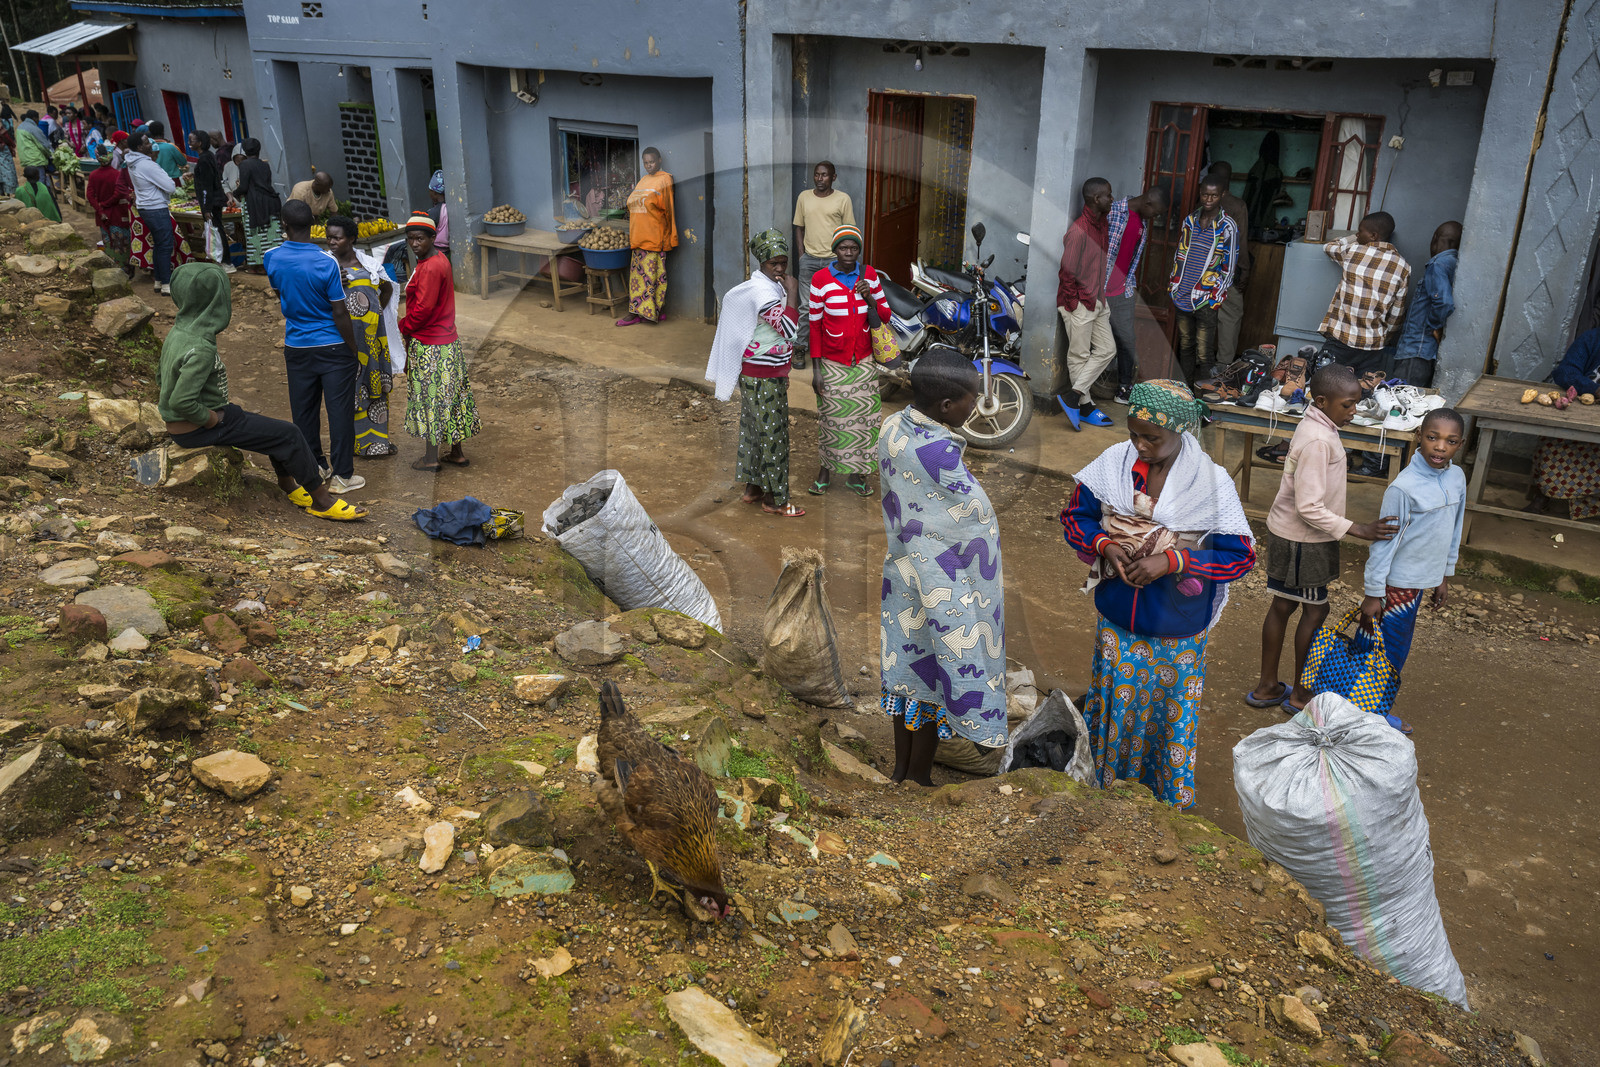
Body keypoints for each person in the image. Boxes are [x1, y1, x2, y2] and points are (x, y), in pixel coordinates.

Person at [1062, 380, 1255, 810]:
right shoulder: (1114, 464)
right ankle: (1108, 794)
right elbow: (1077, 517)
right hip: (1118, 620)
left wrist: (1172, 562)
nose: (1140, 445)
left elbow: (1239, 556)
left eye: (1152, 437)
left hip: (1176, 627)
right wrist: (1107, 546)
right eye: (1134, 434)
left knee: (1168, 719)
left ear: (1182, 432)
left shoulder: (1210, 484)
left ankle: (1163, 807)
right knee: (1116, 711)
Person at [880, 348, 1005, 786]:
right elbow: (972, 516)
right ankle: (919, 777)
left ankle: (899, 770)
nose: (977, 404)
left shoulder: (893, 427)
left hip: (902, 572)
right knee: (933, 680)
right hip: (941, 584)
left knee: (907, 674)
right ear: (947, 407)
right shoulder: (939, 456)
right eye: (973, 398)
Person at [158, 261, 365, 522]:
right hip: (199, 426)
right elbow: (181, 400)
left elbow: (161, 378)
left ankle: (288, 486)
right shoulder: (200, 347)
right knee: (289, 434)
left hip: (190, 423)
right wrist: (212, 419)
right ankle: (322, 500)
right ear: (214, 302)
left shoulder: (179, 333)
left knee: (271, 429)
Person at [1249, 365, 1398, 713]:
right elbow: (1308, 507)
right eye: (1348, 405)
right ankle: (1301, 694)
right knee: (1316, 609)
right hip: (1304, 540)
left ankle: (1268, 686)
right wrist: (1357, 528)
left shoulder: (1314, 425)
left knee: (1283, 604)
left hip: (1290, 534)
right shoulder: (1320, 440)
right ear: (1321, 400)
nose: (1354, 411)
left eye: (1356, 404)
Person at [1351, 408, 1466, 734]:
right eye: (1432, 437)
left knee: (1385, 648)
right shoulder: (1403, 488)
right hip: (1397, 584)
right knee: (1388, 651)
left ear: (1460, 444)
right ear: (1419, 436)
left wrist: (1444, 574)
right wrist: (1373, 592)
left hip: (1421, 582)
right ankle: (1372, 716)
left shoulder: (1457, 478)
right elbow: (1384, 544)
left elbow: (1454, 528)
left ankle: (1360, 709)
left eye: (1450, 441)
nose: (1440, 447)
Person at [264, 198, 365, 494]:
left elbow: (281, 290)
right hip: (333, 345)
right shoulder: (327, 261)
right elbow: (339, 312)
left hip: (296, 345)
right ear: (314, 226)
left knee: (304, 412)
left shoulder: (271, 257)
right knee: (339, 412)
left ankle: (315, 467)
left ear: (284, 225)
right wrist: (353, 349)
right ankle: (343, 475)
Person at [705, 228, 804, 517]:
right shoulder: (764, 292)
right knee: (774, 434)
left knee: (753, 431)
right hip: (762, 375)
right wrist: (794, 294)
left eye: (784, 263)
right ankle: (776, 500)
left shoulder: (760, 287)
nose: (780, 269)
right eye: (774, 263)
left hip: (758, 373)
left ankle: (753, 488)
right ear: (761, 263)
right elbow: (787, 329)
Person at [806, 224, 893, 496]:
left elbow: (886, 316)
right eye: (843, 248)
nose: (849, 253)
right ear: (835, 251)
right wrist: (816, 370)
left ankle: (857, 476)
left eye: (854, 248)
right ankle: (825, 472)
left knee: (864, 421)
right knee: (832, 419)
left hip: (864, 362)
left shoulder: (869, 276)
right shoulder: (820, 280)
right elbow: (815, 326)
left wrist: (869, 297)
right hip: (832, 364)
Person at [400, 211, 479, 471]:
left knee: (430, 399)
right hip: (447, 342)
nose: (414, 244)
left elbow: (423, 309)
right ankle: (457, 453)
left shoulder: (431, 266)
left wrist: (403, 326)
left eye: (420, 238)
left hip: (431, 344)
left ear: (433, 237)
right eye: (410, 238)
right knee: (452, 397)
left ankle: (431, 458)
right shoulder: (438, 259)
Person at [326, 214, 402, 458]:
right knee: (348, 393)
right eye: (329, 237)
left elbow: (388, 287)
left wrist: (375, 313)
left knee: (374, 389)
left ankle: (377, 444)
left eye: (337, 238)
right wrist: (334, 280)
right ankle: (353, 446)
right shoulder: (326, 266)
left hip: (372, 343)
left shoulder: (368, 265)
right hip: (342, 342)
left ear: (351, 239)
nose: (331, 242)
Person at [1054, 176, 1118, 430]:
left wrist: (1096, 297)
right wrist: (1073, 304)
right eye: (1108, 195)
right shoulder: (1079, 231)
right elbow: (1066, 273)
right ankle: (1086, 406)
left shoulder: (1102, 224)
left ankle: (1074, 395)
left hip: (1098, 299)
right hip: (1079, 301)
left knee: (1107, 349)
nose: (1112, 199)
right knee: (1079, 355)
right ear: (1095, 199)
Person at [1318, 212, 1411, 376]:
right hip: (1373, 346)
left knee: (1323, 384)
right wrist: (1383, 338)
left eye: (1361, 231)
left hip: (1341, 340)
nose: (1358, 234)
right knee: (1362, 393)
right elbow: (1397, 315)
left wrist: (1353, 237)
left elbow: (1328, 246)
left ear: (1373, 236)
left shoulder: (1353, 251)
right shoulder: (1403, 267)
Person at [1167, 176, 1239, 383]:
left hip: (1206, 298)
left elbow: (1230, 267)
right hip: (1182, 294)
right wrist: (1174, 284)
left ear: (1222, 195)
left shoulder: (1228, 226)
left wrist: (1216, 296)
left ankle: (1204, 399)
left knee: (1204, 353)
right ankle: (1185, 392)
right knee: (1186, 345)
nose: (1208, 199)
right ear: (1200, 193)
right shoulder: (1190, 220)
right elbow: (1180, 253)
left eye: (1214, 195)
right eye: (1205, 194)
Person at [1527, 327, 1600, 520]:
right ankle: (1543, 496)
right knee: (1554, 441)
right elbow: (1565, 372)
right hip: (1579, 412)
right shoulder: (1593, 338)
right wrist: (1595, 390)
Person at [1104, 185, 1167, 405]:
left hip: (1123, 290)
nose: (1155, 217)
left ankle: (1123, 389)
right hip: (1100, 289)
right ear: (1147, 202)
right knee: (1097, 343)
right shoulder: (1113, 211)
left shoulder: (1142, 222)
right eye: (1156, 212)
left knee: (1127, 340)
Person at [791, 161, 855, 362]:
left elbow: (849, 233)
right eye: (817, 175)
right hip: (809, 260)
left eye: (824, 175)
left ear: (833, 177)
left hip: (833, 262)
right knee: (806, 307)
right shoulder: (804, 197)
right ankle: (800, 348)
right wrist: (801, 254)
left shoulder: (843, 199)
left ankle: (831, 350)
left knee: (834, 306)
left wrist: (844, 259)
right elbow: (798, 227)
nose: (820, 178)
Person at [1392, 221, 1461, 388]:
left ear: (1435, 239)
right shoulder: (1453, 263)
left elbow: (1444, 302)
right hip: (1424, 351)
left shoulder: (1437, 264)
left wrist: (1434, 326)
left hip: (1416, 349)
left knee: (1401, 400)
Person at [617, 146, 677, 326]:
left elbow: (669, 211)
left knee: (650, 278)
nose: (649, 165)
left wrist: (669, 238)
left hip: (653, 239)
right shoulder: (643, 180)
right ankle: (653, 311)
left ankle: (638, 313)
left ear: (659, 161)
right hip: (638, 238)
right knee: (639, 278)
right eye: (645, 163)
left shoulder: (665, 180)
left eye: (652, 162)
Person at [1206, 161, 1251, 366]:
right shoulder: (1237, 205)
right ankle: (1223, 365)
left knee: (1202, 313)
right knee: (1230, 317)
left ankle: (1201, 359)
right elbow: (1240, 242)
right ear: (1229, 180)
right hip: (1227, 270)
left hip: (1201, 269)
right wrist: (1245, 270)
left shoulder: (1201, 202)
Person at [125, 131, 179, 295]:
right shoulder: (147, 165)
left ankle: (159, 281)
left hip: (145, 207)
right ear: (140, 147)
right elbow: (170, 187)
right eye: (146, 142)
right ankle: (166, 284)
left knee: (159, 244)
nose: (150, 143)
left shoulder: (133, 162)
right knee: (165, 245)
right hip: (155, 207)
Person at [191, 129, 236, 274]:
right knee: (217, 230)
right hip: (214, 200)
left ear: (199, 143)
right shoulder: (208, 156)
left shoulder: (204, 159)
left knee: (217, 231)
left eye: (191, 140)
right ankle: (222, 260)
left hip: (212, 201)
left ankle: (226, 262)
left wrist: (206, 208)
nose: (189, 143)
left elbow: (206, 186)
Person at [235, 138, 282, 273]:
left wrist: (235, 192)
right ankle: (269, 264)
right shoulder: (264, 165)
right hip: (269, 201)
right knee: (270, 234)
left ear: (244, 150)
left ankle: (258, 265)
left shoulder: (244, 165)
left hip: (253, 203)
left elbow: (244, 187)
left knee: (255, 234)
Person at [85, 147, 134, 274]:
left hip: (103, 216)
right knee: (122, 242)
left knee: (108, 242)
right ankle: (126, 269)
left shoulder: (93, 175)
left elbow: (90, 195)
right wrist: (106, 204)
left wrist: (100, 209)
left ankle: (114, 270)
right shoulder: (117, 174)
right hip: (118, 213)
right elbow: (119, 194)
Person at [15, 111, 52, 178]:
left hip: (25, 159)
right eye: (38, 119)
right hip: (36, 160)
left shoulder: (20, 127)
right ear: (34, 118)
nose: (38, 121)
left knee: (32, 182)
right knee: (39, 183)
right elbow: (43, 145)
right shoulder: (34, 129)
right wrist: (50, 155)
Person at [426, 170, 450, 259]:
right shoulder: (448, 207)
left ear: (434, 193)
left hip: (436, 250)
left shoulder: (434, 212)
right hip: (447, 249)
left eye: (429, 191)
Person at [0, 105, 18, 197]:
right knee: (7, 173)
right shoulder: (1, 125)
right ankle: (7, 195)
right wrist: (11, 144)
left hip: (3, 151)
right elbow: (8, 139)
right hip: (3, 153)